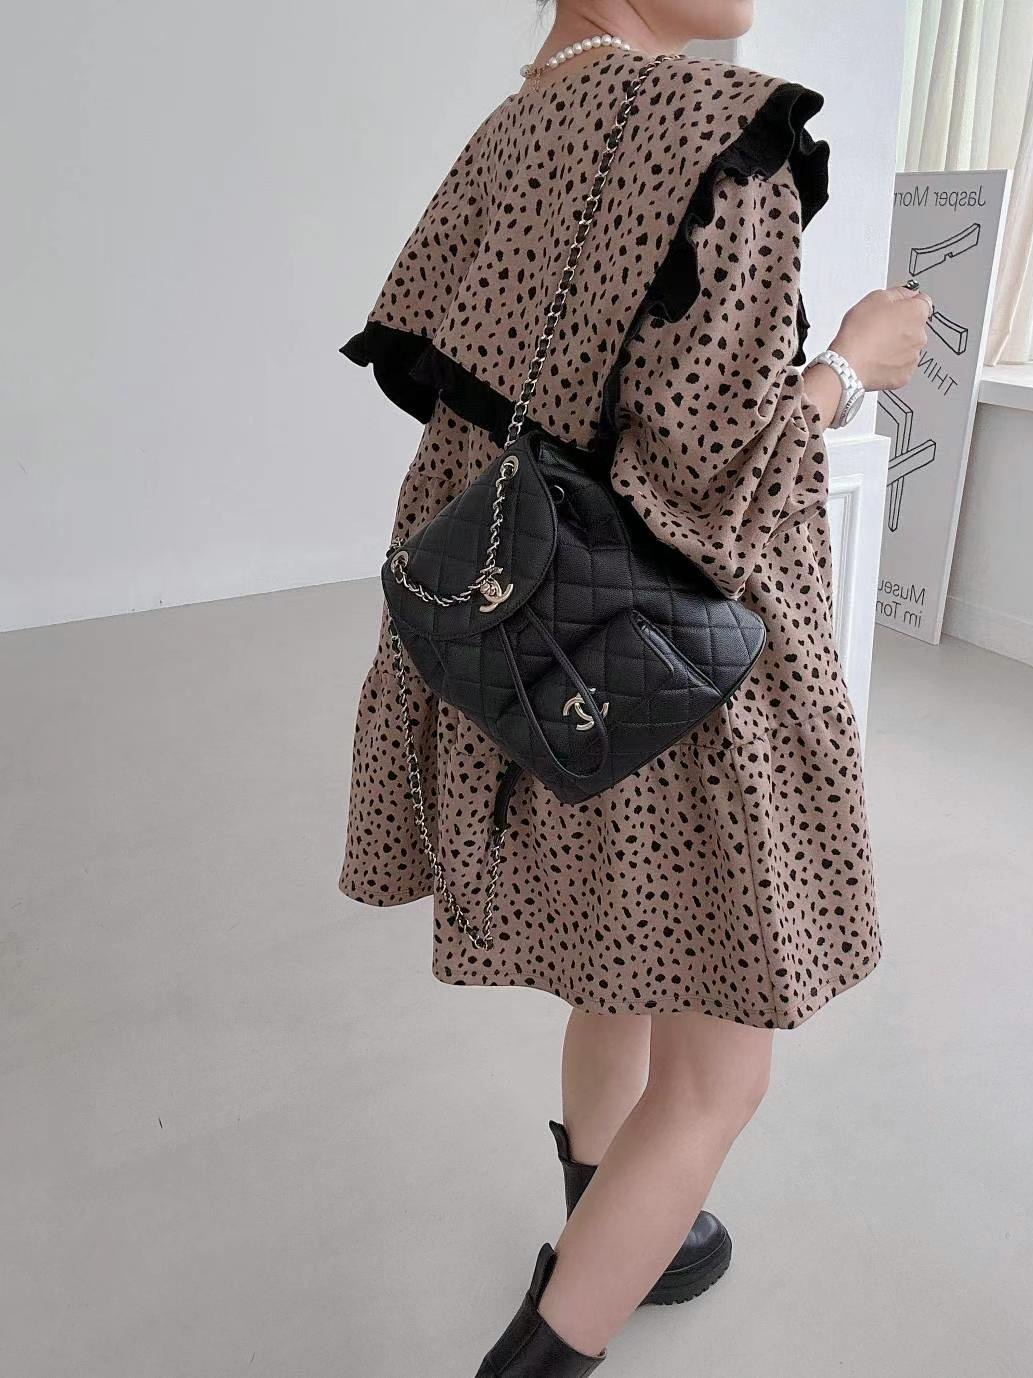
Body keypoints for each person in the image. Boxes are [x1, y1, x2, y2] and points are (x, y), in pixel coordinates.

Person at [338, 2, 930, 1372]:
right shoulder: (726, 133)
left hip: (533, 651)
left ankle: (608, 1219)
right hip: (673, 675)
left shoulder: (515, 125)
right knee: (720, 1076)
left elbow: (476, 420)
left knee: (621, 957)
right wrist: (851, 368)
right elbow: (722, 489)